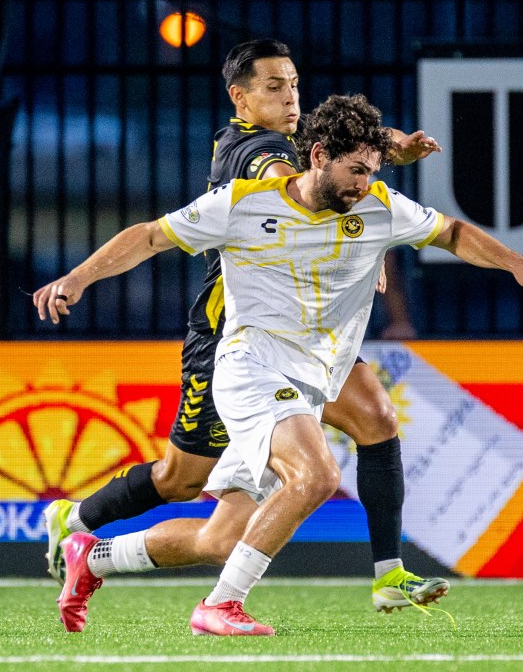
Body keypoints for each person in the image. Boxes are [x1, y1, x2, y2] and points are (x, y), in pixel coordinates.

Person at [34, 93, 523, 635]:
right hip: (251, 370)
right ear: (317, 156)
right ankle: (220, 606)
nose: (364, 183)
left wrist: (515, 263)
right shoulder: (243, 204)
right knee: (315, 475)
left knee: (221, 539)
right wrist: (77, 278)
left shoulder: (378, 207)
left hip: (311, 386)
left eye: (372, 170)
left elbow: (451, 232)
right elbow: (150, 236)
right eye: (355, 170)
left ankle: (92, 557)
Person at [39, 39, 446, 614]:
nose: (290, 97)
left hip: (302, 336)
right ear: (241, 98)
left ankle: (388, 575)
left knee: (375, 418)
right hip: (236, 339)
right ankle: (78, 520)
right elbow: (301, 183)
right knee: (183, 479)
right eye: (274, 87)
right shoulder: (253, 152)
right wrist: (362, 218)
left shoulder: (293, 141)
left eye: (295, 84)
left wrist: (384, 150)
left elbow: (337, 154)